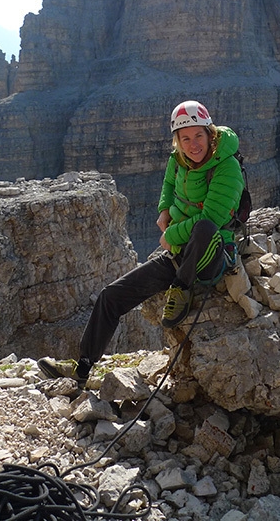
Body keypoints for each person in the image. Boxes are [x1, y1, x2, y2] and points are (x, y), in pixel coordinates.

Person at [38, 100, 245, 385]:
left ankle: (181, 289)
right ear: (178, 140)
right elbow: (169, 185)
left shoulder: (227, 167)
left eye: (199, 135)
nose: (193, 144)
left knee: (205, 227)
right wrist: (164, 210)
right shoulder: (179, 158)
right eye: (185, 138)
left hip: (209, 254)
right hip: (177, 254)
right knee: (111, 296)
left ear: (211, 134)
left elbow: (212, 216)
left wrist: (169, 236)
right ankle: (82, 368)